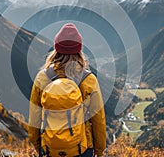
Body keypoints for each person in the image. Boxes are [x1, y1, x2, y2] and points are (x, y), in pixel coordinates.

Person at [28, 23, 106, 157]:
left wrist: (37, 145)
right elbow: (98, 120)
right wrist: (99, 150)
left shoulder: (42, 78)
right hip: (81, 148)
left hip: (49, 148)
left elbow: (34, 117)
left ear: (56, 49)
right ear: (79, 51)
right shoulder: (88, 80)